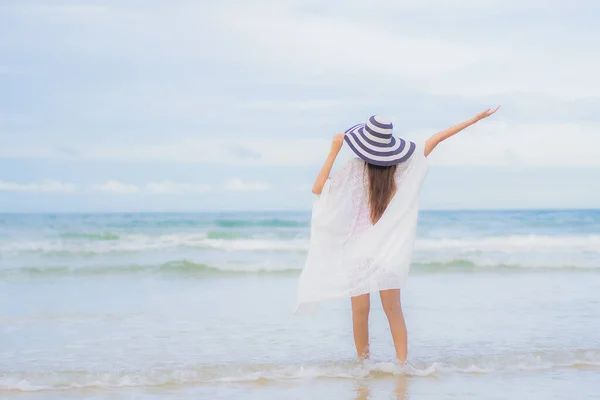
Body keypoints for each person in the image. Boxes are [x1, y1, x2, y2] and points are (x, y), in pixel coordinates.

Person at [295, 106, 500, 362]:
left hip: (356, 248)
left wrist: (333, 151)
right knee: (393, 310)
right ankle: (402, 367)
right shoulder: (402, 168)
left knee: (360, 312)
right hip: (388, 248)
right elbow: (435, 140)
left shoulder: (353, 168)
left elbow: (317, 188)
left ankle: (364, 366)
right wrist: (475, 119)